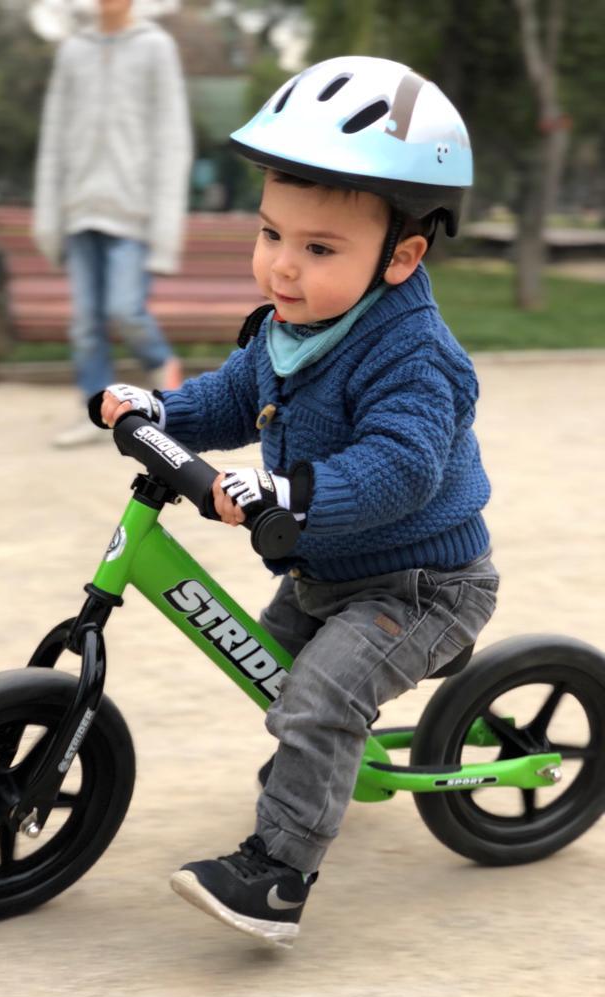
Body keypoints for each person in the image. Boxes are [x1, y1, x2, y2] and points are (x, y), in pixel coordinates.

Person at [93, 56, 500, 947]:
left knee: (313, 699)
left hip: (422, 586)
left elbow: (404, 469)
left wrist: (285, 490)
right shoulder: (295, 327)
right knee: (266, 668)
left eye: (318, 249)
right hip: (326, 571)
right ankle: (315, 775)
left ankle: (277, 878)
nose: (281, 267)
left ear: (403, 255)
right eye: (273, 234)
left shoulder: (413, 356)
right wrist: (159, 411)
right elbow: (236, 398)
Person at [33, 0, 192, 448]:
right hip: (80, 208)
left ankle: (164, 370)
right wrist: (49, 216)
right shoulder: (72, 51)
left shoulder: (156, 47)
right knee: (85, 323)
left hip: (134, 214)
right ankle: (97, 410)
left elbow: (172, 139)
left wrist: (164, 230)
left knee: (125, 310)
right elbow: (54, 138)